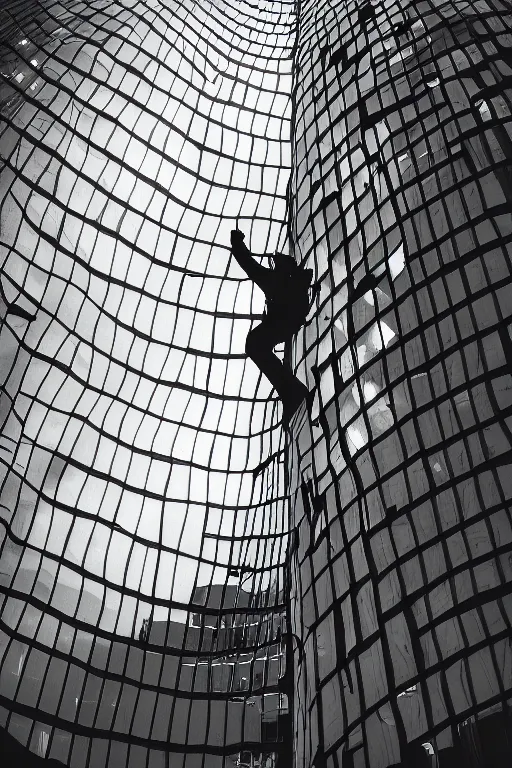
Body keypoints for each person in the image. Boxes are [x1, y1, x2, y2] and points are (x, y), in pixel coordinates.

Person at [229, 228, 318, 423]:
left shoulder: (276, 281)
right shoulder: (288, 282)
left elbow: (249, 265)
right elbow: (250, 266)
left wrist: (237, 243)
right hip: (288, 322)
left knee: (254, 344)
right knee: (255, 343)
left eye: (276, 263)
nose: (273, 265)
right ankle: (291, 390)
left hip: (283, 322)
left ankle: (292, 391)